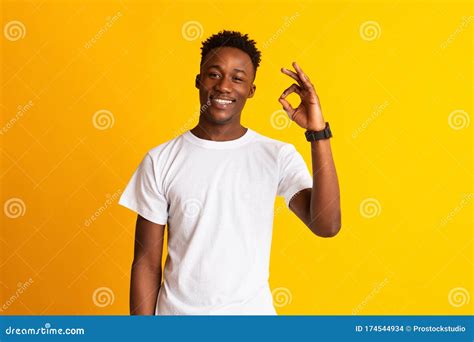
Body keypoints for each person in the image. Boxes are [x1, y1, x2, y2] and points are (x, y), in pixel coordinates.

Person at [119, 30, 341, 315]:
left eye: (237, 78)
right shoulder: (160, 160)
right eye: (214, 74)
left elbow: (326, 225)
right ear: (198, 80)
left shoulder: (276, 155)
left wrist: (317, 133)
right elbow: (146, 262)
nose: (224, 86)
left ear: (251, 90)